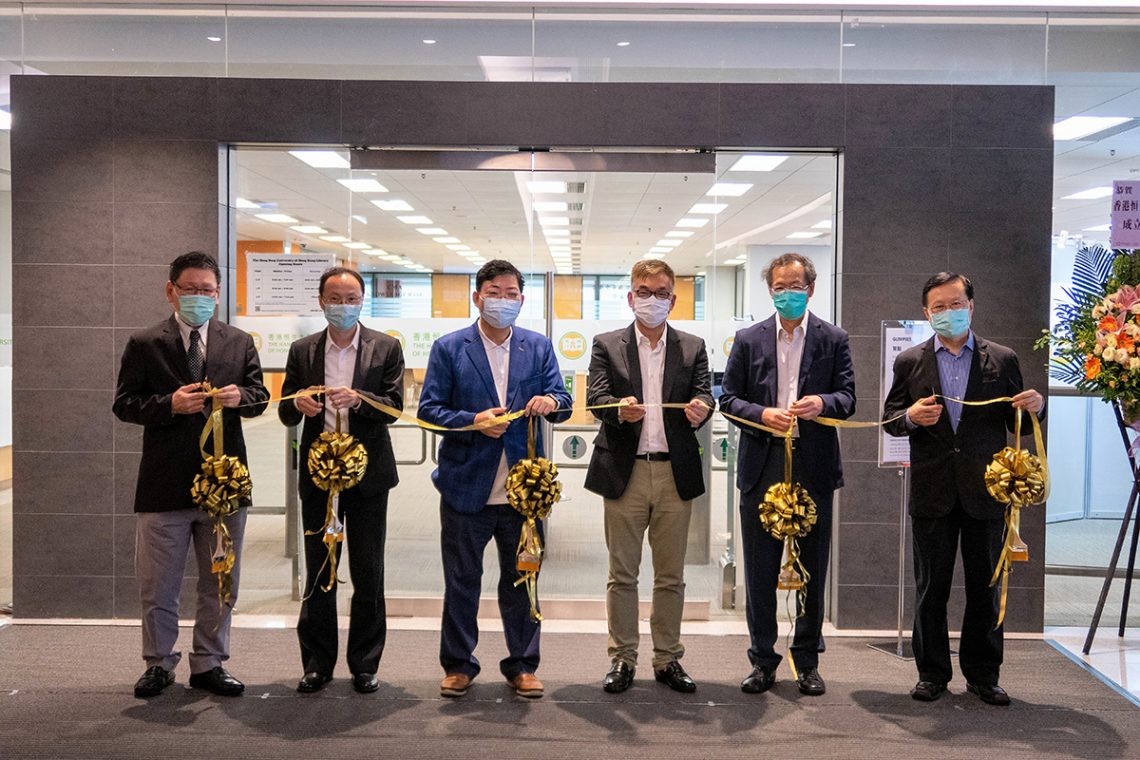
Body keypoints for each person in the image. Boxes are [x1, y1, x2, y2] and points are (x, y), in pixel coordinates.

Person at [883, 272, 1044, 706]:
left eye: (955, 304)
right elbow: (890, 419)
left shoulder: (1003, 359)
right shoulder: (910, 361)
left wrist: (1036, 407)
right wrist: (912, 416)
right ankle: (932, 673)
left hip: (986, 492)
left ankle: (983, 673)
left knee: (986, 587)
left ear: (971, 306)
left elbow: (1021, 424)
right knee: (930, 588)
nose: (948, 313)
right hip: (932, 492)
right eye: (938, 307)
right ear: (926, 313)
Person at [113, 251, 268, 698]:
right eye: (191, 289)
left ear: (218, 296)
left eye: (207, 291)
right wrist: (168, 405)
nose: (199, 297)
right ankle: (158, 663)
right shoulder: (145, 343)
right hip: (164, 484)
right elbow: (124, 404)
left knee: (220, 581)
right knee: (158, 586)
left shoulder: (238, 341)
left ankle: (209, 662)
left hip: (224, 485)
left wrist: (243, 398)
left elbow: (259, 396)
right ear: (171, 291)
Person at [418, 259, 572, 700]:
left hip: (523, 490)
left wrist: (550, 401)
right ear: (477, 297)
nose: (502, 301)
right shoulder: (450, 347)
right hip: (467, 485)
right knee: (461, 581)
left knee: (522, 579)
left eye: (511, 294)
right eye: (494, 292)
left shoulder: (537, 346)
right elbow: (430, 410)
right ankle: (459, 664)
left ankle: (522, 665)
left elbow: (562, 399)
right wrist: (473, 420)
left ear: (522, 301)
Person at [719, 252, 855, 697]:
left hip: (813, 465)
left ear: (811, 289)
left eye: (795, 286)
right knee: (760, 571)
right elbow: (730, 399)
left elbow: (848, 397)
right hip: (763, 465)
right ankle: (762, 661)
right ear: (770, 290)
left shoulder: (833, 338)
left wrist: (822, 405)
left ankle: (807, 659)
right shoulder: (748, 338)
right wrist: (761, 414)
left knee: (812, 568)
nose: (787, 293)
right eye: (779, 286)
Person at [583, 259, 713, 694]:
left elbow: (705, 396)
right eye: (644, 291)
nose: (652, 300)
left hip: (675, 474)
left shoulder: (693, 347)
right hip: (625, 472)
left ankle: (667, 658)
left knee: (670, 575)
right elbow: (596, 398)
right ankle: (622, 658)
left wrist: (701, 410)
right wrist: (617, 410)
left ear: (673, 300)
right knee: (622, 573)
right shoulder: (607, 344)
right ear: (630, 296)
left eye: (660, 293)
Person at [278, 267, 406, 695]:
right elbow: (284, 411)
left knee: (368, 569)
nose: (343, 306)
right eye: (335, 298)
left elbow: (394, 407)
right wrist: (297, 402)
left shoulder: (385, 347)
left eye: (351, 298)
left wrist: (361, 399)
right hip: (318, 475)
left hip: (369, 476)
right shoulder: (302, 350)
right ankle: (317, 663)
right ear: (321, 301)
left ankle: (365, 663)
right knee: (319, 568)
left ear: (362, 301)